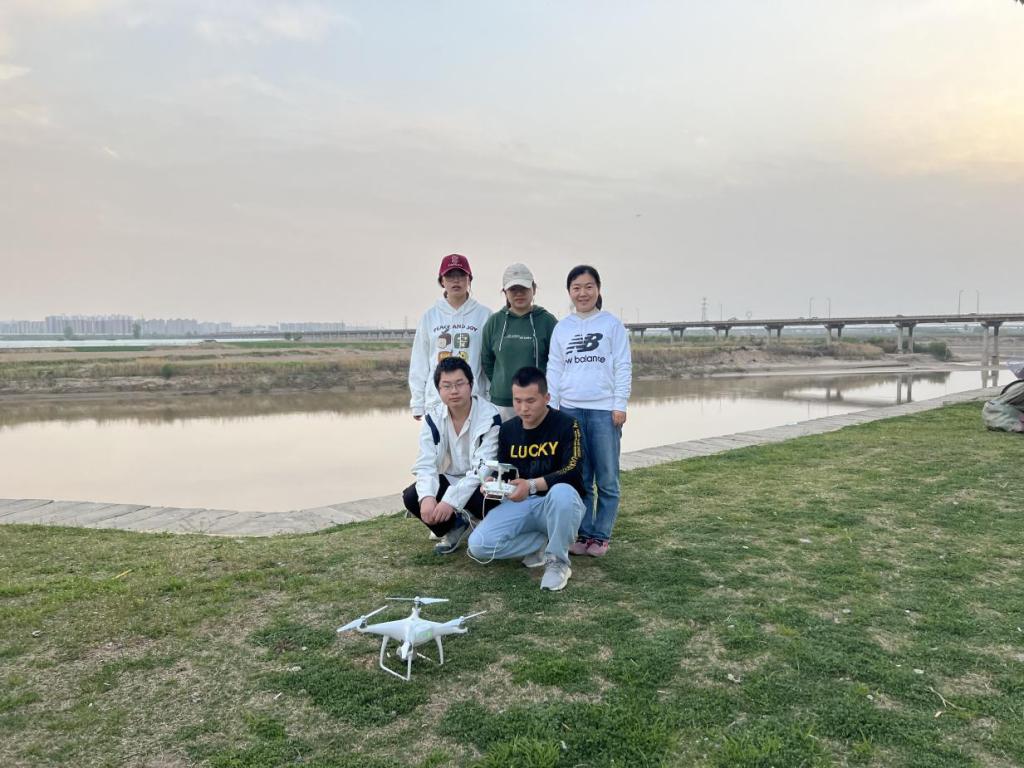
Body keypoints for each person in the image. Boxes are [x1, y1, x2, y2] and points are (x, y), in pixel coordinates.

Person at [467, 366, 585, 591]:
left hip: (557, 504)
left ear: (547, 398)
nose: (523, 408)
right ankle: (539, 544)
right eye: (517, 400)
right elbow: (504, 469)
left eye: (531, 401)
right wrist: (494, 483)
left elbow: (573, 470)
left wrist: (531, 485)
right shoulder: (508, 429)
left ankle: (558, 563)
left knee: (562, 492)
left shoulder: (568, 424)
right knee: (478, 546)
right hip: (521, 503)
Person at [546, 264, 632, 558]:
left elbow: (623, 365)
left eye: (588, 287)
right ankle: (583, 533)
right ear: (569, 292)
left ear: (598, 289)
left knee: (607, 478)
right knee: (580, 477)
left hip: (604, 411)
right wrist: (553, 406)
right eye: (576, 288)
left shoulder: (611, 325)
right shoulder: (563, 328)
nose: (582, 293)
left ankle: (601, 536)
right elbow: (554, 367)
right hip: (570, 410)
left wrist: (619, 404)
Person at [402, 357, 502, 554]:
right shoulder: (433, 417)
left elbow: (483, 469)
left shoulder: (490, 416)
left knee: (489, 500)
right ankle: (454, 526)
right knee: (413, 496)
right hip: (449, 479)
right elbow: (425, 463)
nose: (454, 391)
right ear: (438, 390)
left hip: (480, 484)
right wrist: (427, 497)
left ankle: (479, 522)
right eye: (446, 386)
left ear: (471, 384)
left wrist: (450, 501)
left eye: (459, 384)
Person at [408, 254, 492, 420]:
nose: (456, 281)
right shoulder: (430, 317)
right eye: (450, 276)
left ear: (469, 279)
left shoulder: (484, 315)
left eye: (461, 275)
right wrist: (417, 402)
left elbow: (489, 362)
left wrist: (490, 398)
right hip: (437, 402)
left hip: (474, 401)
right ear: (442, 281)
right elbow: (419, 361)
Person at [480, 263, 558, 421]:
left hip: (535, 402)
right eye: (513, 289)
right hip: (501, 403)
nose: (519, 294)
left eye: (524, 288)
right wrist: (501, 382)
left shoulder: (547, 321)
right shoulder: (494, 322)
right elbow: (487, 360)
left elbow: (557, 362)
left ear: (533, 289)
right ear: (505, 292)